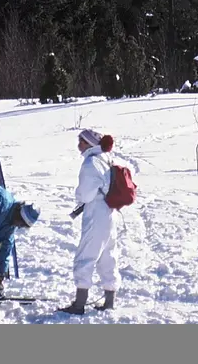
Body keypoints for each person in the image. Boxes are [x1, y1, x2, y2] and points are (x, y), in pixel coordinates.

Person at [59, 129, 120, 315]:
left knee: (85, 257)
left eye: (82, 141)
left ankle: (79, 304)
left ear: (90, 144)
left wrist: (78, 195)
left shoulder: (90, 163)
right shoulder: (106, 159)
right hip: (110, 214)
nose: (79, 144)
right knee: (108, 257)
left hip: (96, 214)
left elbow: (85, 195)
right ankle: (109, 301)